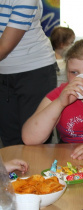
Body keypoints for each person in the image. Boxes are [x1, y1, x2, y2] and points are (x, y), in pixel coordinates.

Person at [0, 0, 57, 147]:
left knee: (35, 142)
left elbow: (4, 46)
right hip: (3, 72)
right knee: (10, 142)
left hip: (35, 71)